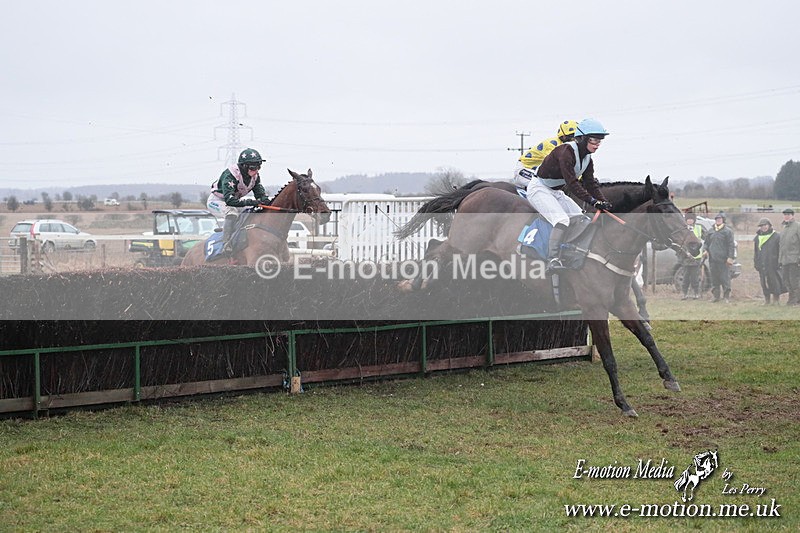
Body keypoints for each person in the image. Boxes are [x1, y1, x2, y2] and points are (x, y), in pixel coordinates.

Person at [525, 118, 612, 271]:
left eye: (600, 141)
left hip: (555, 191)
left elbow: (590, 183)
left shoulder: (588, 159)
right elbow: (572, 183)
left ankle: (570, 251)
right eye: (594, 140)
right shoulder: (566, 152)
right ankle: (552, 259)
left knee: (581, 218)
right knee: (562, 220)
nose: (597, 144)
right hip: (538, 188)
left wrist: (603, 201)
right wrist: (593, 201)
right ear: (581, 138)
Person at [206, 148, 272, 253]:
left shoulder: (255, 177)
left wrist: (267, 201)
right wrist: (253, 202)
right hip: (217, 201)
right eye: (254, 167)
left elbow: (261, 195)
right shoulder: (231, 175)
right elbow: (230, 201)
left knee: (252, 212)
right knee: (232, 212)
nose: (257, 170)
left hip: (233, 201)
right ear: (244, 166)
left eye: (259, 167)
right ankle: (226, 243)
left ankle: (238, 234)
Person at [513, 120, 579, 190]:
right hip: (524, 169)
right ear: (563, 136)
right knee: (544, 188)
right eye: (572, 136)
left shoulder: (569, 149)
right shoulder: (553, 144)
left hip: (536, 172)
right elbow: (557, 166)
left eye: (576, 137)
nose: (574, 140)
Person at [702, 212, 735, 303]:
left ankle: (726, 297)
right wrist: (705, 250)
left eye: (720, 219)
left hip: (724, 260)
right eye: (717, 219)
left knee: (725, 279)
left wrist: (730, 257)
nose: (718, 221)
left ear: (723, 220)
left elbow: (731, 245)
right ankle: (716, 297)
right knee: (714, 279)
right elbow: (706, 243)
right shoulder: (711, 231)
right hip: (712, 260)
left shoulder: (727, 231)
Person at [753, 217, 784, 305]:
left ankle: (776, 300)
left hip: (773, 263)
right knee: (764, 282)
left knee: (774, 282)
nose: (764, 227)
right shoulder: (757, 238)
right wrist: (756, 262)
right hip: (762, 264)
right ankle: (767, 300)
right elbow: (756, 251)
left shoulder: (776, 236)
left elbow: (780, 250)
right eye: (762, 226)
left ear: (769, 225)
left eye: (765, 225)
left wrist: (779, 262)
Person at [680, 212, 706, 300]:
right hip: (685, 257)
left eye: (691, 219)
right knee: (685, 277)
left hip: (696, 257)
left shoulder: (699, 228)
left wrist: (704, 251)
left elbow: (705, 240)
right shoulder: (682, 229)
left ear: (694, 220)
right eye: (688, 219)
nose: (689, 221)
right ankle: (684, 294)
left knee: (695, 277)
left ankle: (696, 293)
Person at [778, 208, 800, 306]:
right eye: (785, 214)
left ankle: (796, 301)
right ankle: (791, 299)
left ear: (792, 215)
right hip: (784, 260)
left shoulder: (797, 226)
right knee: (786, 280)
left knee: (794, 281)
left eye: (788, 214)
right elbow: (781, 246)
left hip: (794, 259)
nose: (786, 216)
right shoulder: (784, 228)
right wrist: (780, 259)